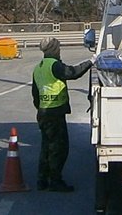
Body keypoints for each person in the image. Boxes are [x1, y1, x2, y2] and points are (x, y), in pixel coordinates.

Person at [31, 36, 95, 192]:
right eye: (58, 48)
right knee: (59, 148)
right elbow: (72, 73)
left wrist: (41, 108)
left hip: (44, 112)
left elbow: (35, 94)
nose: (60, 51)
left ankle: (42, 180)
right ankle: (55, 181)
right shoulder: (54, 65)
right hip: (54, 112)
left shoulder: (39, 67)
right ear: (54, 49)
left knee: (46, 147)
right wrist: (90, 62)